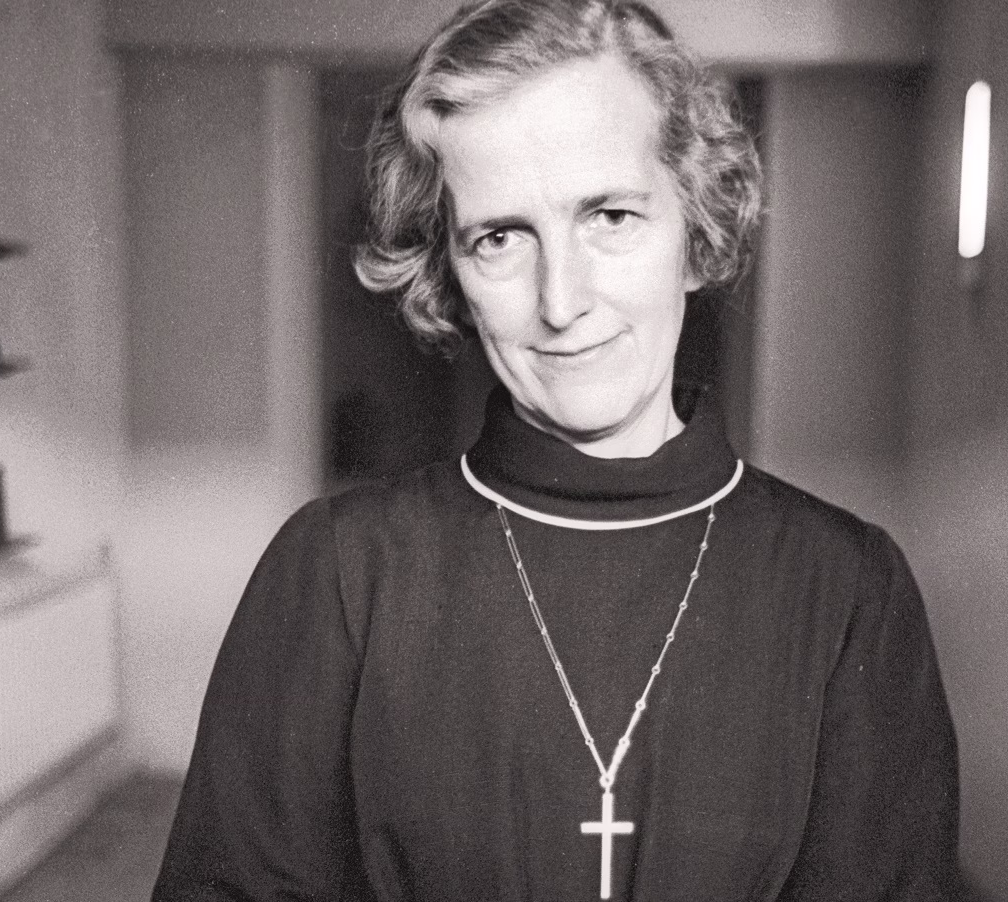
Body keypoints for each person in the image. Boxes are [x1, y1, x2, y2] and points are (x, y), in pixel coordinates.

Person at [153, 1, 962, 900]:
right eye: (500, 238)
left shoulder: (848, 587)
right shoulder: (339, 569)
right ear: (447, 273)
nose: (561, 301)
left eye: (610, 216)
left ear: (697, 235)